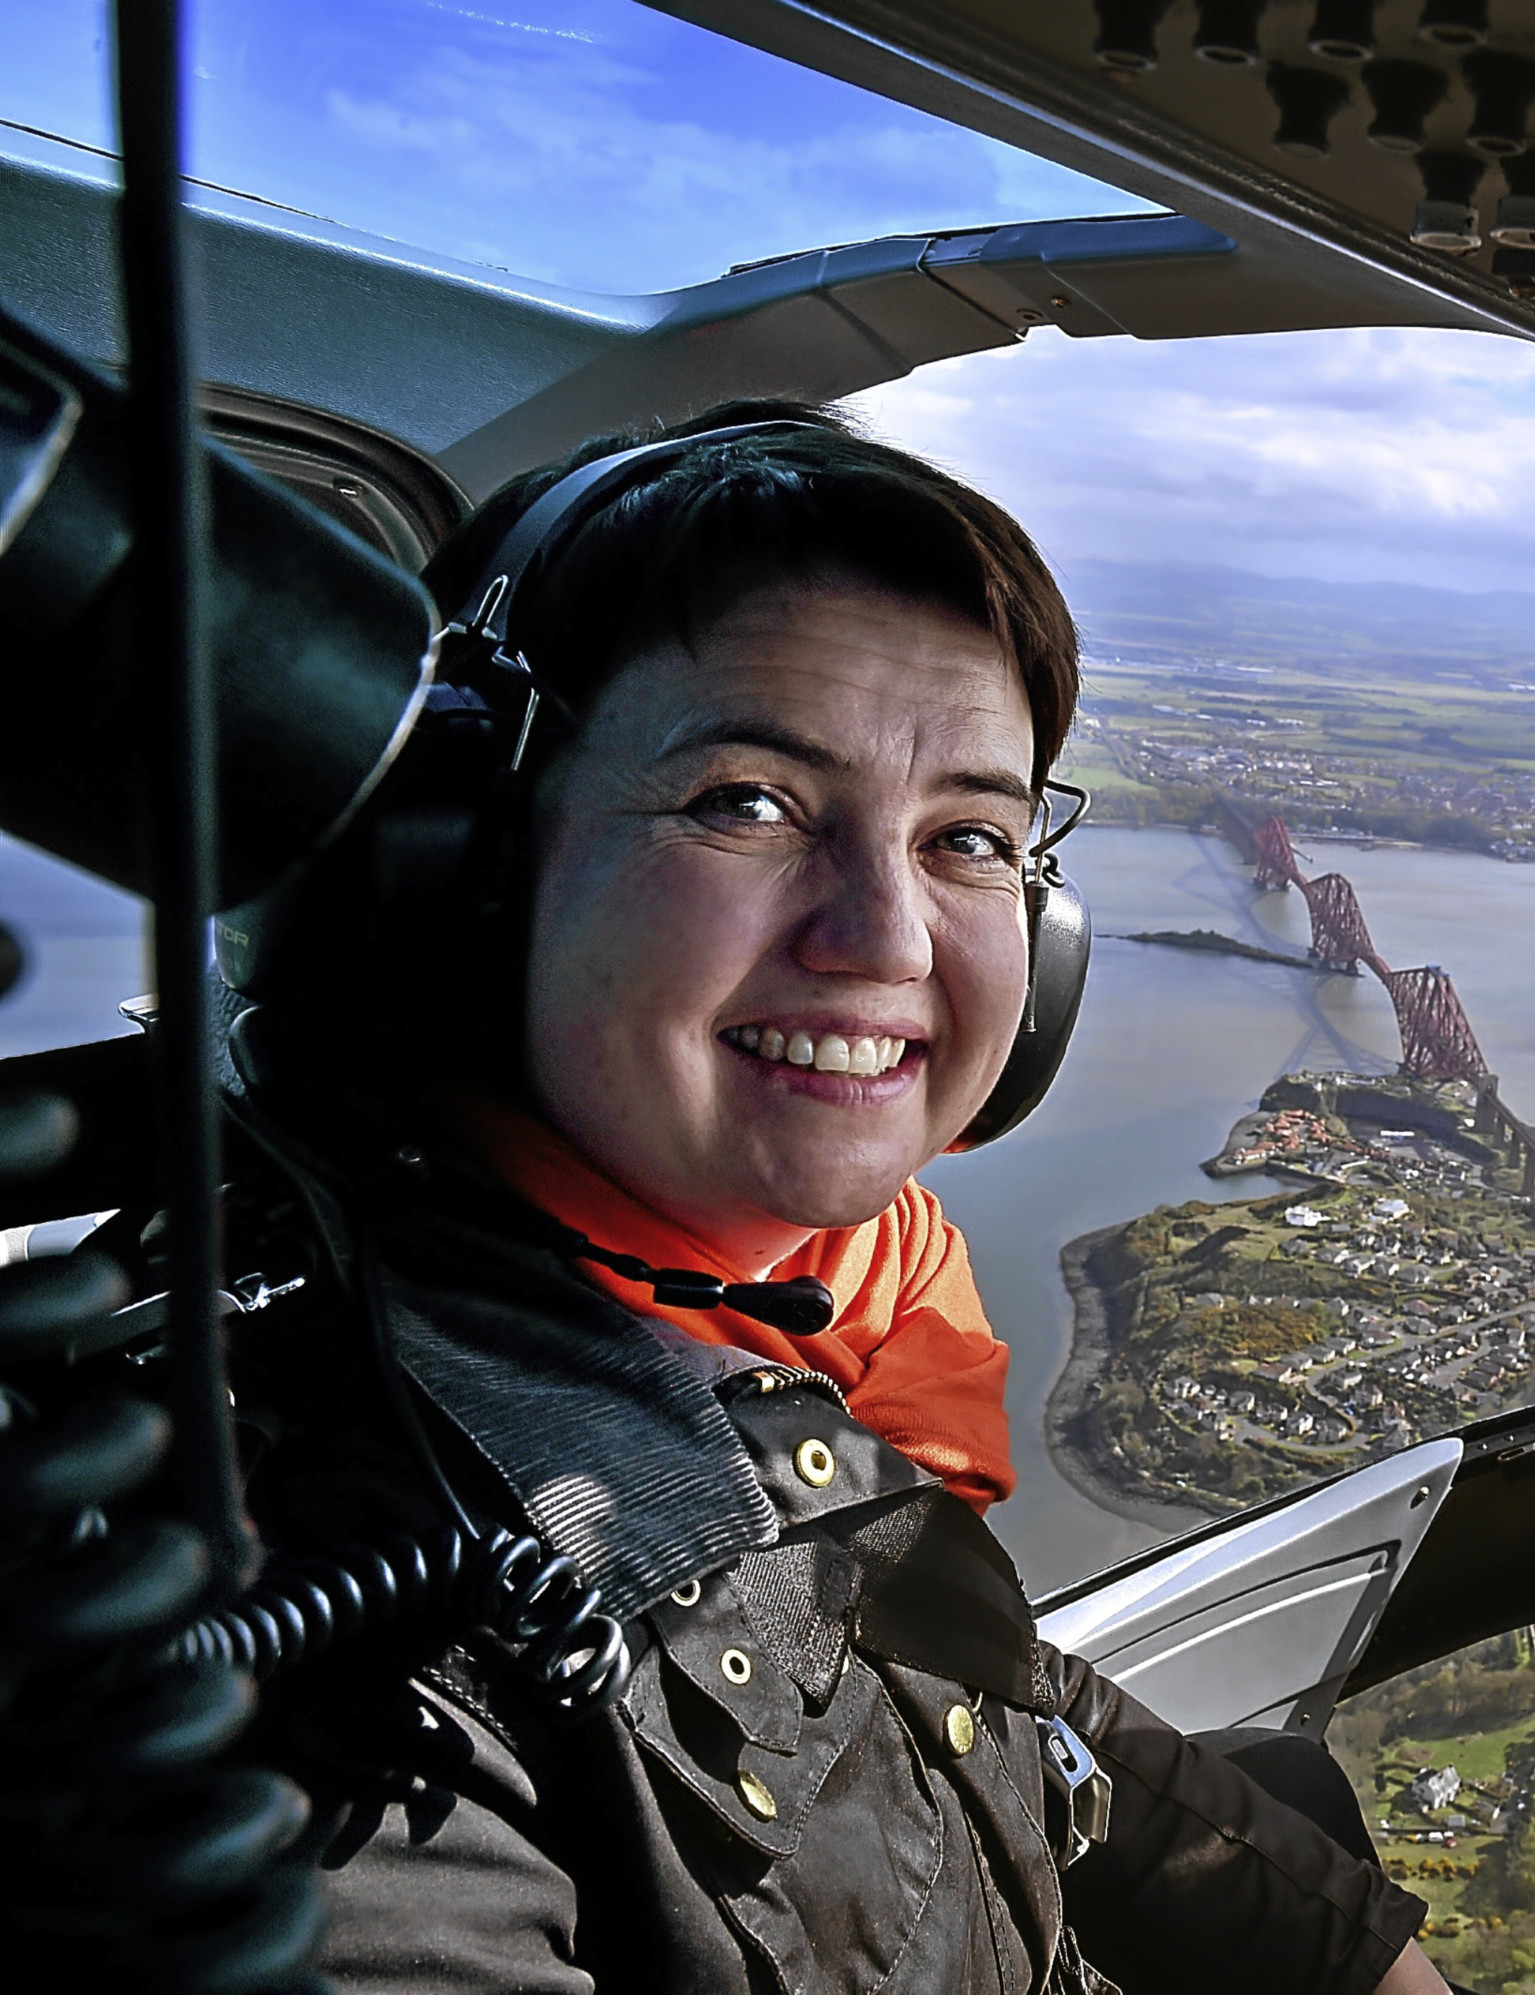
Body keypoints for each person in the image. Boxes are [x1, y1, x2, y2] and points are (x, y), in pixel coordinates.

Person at [212, 403, 1452, 1993]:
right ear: (464, 861)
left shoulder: (783, 1311)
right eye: (746, 798)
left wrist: (1365, 1966)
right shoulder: (308, 1618)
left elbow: (997, 1700)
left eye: (970, 838)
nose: (886, 934)